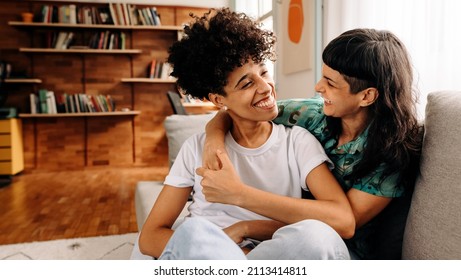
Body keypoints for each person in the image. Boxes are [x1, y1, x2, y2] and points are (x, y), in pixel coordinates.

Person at [137, 8, 355, 260]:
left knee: (316, 236)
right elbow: (151, 236)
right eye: (247, 83)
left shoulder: (297, 141)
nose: (266, 87)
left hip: (267, 253)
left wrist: (240, 198)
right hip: (206, 255)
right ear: (219, 99)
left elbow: (343, 221)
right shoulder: (196, 148)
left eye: (263, 72)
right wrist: (229, 253)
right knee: (194, 231)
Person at [203, 28, 423, 259]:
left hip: (337, 249)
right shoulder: (310, 113)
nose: (318, 87)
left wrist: (245, 218)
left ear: (366, 96)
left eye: (330, 83)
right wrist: (213, 142)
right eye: (322, 76)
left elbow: (341, 225)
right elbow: (237, 111)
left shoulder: (392, 153)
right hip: (286, 235)